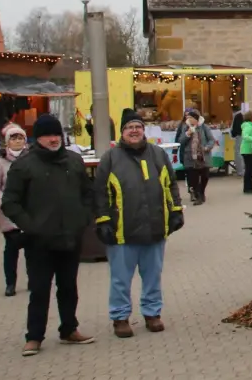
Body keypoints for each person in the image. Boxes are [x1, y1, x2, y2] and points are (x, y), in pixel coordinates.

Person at [0, 113, 98, 356]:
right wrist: (30, 226)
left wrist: (83, 218)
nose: (53, 139)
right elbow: (10, 202)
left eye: (56, 134)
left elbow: (88, 193)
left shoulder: (74, 161)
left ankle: (69, 329)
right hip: (39, 241)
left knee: (68, 287)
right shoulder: (24, 165)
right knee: (40, 289)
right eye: (47, 135)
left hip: (70, 237)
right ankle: (34, 336)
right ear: (37, 138)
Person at [96, 110, 184, 338]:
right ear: (122, 133)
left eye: (137, 127)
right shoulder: (110, 158)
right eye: (129, 128)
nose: (134, 131)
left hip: (155, 228)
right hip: (122, 231)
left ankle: (152, 313)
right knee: (120, 279)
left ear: (143, 130)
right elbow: (99, 194)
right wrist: (103, 220)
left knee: (153, 276)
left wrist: (175, 210)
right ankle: (120, 317)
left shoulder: (158, 154)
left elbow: (171, 184)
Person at [0, 122, 30, 296]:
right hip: (9, 213)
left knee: (32, 249)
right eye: (14, 138)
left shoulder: (31, 158)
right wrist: (6, 204)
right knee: (11, 248)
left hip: (30, 211)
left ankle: (33, 280)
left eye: (20, 138)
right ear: (7, 142)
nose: (17, 141)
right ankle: (10, 283)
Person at [178, 110, 213, 205]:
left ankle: (202, 192)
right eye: (188, 118)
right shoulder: (185, 127)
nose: (189, 119)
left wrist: (207, 147)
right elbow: (180, 141)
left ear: (196, 119)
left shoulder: (204, 127)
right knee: (193, 178)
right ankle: (198, 196)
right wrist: (187, 134)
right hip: (190, 156)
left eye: (191, 118)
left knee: (205, 176)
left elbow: (211, 140)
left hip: (203, 155)